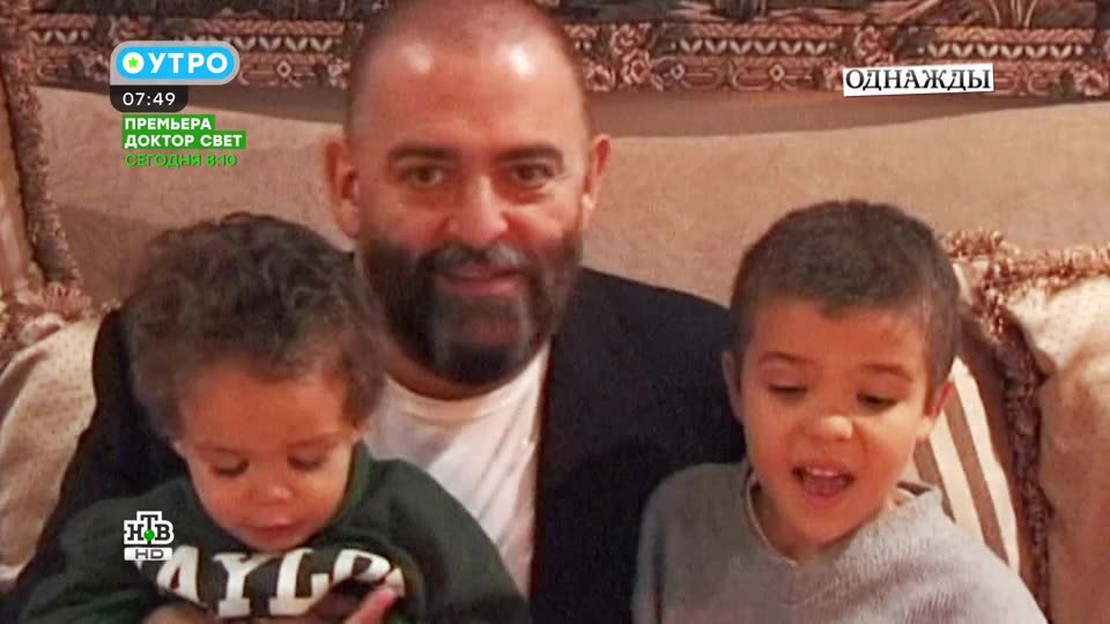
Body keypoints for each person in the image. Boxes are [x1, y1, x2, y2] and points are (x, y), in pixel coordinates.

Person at [6, 1, 743, 622]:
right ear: (349, 185)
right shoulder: (185, 356)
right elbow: (67, 584)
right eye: (426, 173)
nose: (480, 226)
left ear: (589, 182)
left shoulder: (706, 380)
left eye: (528, 173)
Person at [17, 214, 529, 624]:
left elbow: (493, 614)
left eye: (307, 460)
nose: (271, 495)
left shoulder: (407, 518)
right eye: (229, 467)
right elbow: (60, 606)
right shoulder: (155, 529)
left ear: (359, 420)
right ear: (176, 438)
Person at [632, 200, 1046, 624]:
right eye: (788, 388)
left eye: (875, 398)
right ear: (737, 386)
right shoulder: (682, 522)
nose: (829, 427)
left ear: (931, 408)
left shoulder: (976, 603)